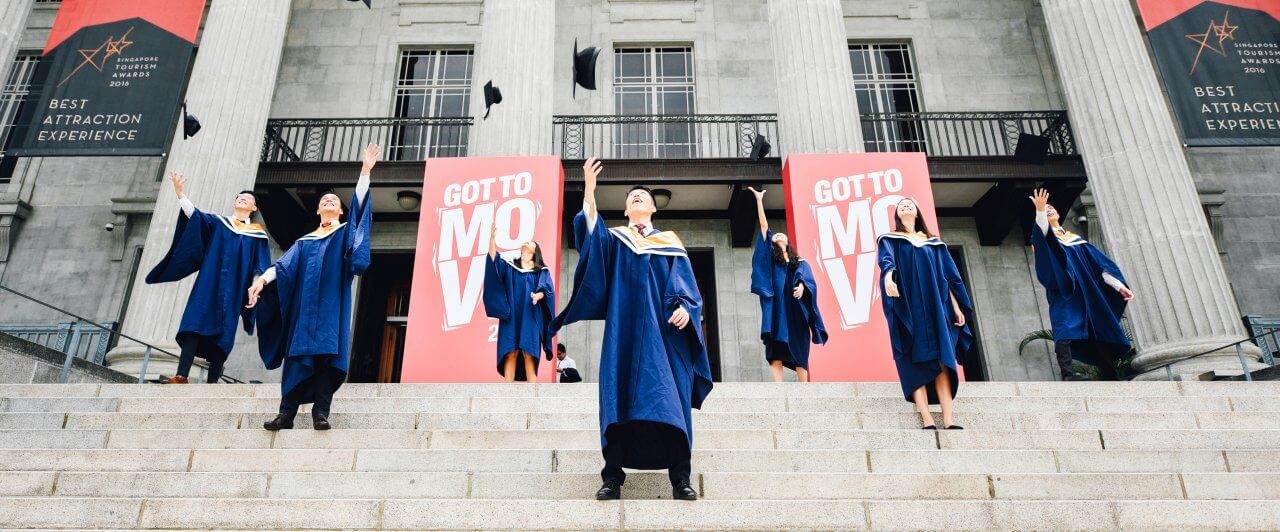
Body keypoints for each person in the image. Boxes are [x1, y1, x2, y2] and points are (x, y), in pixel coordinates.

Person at [552, 156, 713, 502]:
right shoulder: (615, 240)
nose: (637, 197)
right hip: (623, 334)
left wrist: (686, 308)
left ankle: (680, 479)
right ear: (625, 211)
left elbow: (687, 288)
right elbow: (591, 247)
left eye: (643, 195)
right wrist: (590, 195)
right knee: (618, 401)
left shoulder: (670, 243)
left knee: (670, 401)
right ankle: (612, 479)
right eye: (631, 196)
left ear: (653, 208)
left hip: (663, 337)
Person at [246, 143, 379, 431]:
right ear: (318, 210)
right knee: (297, 360)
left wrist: (365, 172)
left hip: (331, 309)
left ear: (340, 212)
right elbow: (283, 267)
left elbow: (359, 214)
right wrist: (261, 281)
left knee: (325, 361)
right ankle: (286, 415)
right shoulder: (304, 242)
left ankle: (321, 413)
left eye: (335, 202)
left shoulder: (345, 234)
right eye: (326, 201)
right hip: (304, 314)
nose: (330, 202)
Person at [144, 171, 272, 384]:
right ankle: (181, 375)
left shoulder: (257, 234)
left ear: (254, 207)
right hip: (209, 284)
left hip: (235, 289)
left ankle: (212, 383)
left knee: (224, 333)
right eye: (239, 197)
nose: (242, 198)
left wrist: (255, 287)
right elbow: (195, 215)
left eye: (248, 198)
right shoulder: (218, 223)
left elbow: (261, 265)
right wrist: (180, 193)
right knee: (195, 322)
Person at [878, 198, 973, 430]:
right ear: (897, 215)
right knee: (913, 360)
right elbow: (886, 261)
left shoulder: (934, 244)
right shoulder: (890, 239)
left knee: (942, 361)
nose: (906, 206)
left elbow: (948, 277)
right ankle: (927, 418)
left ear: (917, 212)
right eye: (901, 206)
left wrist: (956, 306)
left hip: (936, 307)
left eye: (910, 204)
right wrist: (889, 276)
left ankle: (949, 419)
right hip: (908, 306)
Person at [1028, 188, 1134, 380]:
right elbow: (1042, 233)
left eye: (1051, 208)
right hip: (1065, 291)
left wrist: (1119, 286)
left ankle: (1110, 373)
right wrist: (1040, 211)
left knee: (1097, 329)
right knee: (1065, 328)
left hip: (1087, 292)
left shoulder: (1075, 240)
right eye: (1047, 209)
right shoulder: (1044, 238)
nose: (1050, 210)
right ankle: (1068, 373)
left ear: (1059, 214)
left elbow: (1099, 266)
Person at [746, 186, 828, 382]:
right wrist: (759, 201)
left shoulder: (799, 262)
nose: (779, 235)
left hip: (794, 307)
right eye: (776, 236)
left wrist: (802, 286)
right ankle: (779, 388)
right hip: (776, 306)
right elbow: (764, 227)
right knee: (775, 346)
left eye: (782, 234)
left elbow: (808, 279)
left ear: (788, 240)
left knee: (799, 344)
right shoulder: (771, 261)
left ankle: (804, 388)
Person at [483, 225, 556, 382]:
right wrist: (492, 240)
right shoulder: (510, 267)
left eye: (529, 245)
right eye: (524, 246)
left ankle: (532, 392)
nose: (526, 246)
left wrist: (538, 295)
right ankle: (508, 391)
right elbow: (493, 261)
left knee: (528, 352)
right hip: (511, 315)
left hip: (531, 315)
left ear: (534, 252)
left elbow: (547, 289)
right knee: (510, 351)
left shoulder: (541, 271)